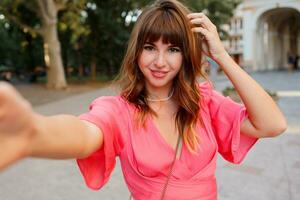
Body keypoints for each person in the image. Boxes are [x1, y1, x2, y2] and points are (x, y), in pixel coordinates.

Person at [0, 0, 287, 199]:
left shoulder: (204, 102)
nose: (160, 61)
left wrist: (222, 56)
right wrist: (32, 134)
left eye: (173, 49)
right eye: (150, 47)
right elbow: (86, 133)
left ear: (186, 54)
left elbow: (272, 125)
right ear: (137, 51)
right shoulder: (118, 109)